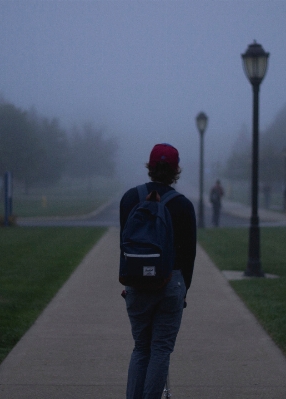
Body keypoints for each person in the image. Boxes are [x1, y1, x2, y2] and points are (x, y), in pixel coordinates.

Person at [119, 143, 197, 399]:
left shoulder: (130, 198)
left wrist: (129, 281)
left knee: (141, 349)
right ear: (176, 171)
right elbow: (188, 256)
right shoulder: (183, 206)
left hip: (137, 284)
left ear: (150, 167)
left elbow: (125, 244)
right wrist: (183, 289)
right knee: (160, 350)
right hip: (170, 283)